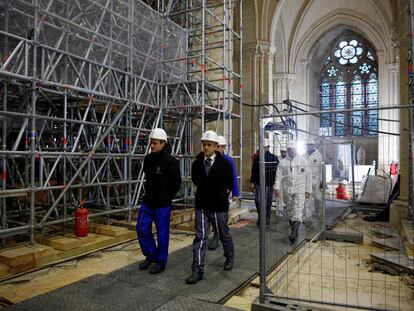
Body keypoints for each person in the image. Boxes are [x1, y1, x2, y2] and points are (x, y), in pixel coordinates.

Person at [186, 130, 235, 285]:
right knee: (200, 237)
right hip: (201, 205)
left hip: (219, 206)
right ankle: (197, 269)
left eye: (209, 145)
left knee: (223, 233)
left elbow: (229, 182)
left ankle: (229, 255)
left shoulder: (225, 163)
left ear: (216, 146)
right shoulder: (197, 163)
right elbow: (195, 180)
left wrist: (221, 193)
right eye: (204, 144)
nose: (206, 147)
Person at [136, 128, 181, 274]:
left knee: (162, 234)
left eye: (154, 143)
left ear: (163, 143)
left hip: (162, 205)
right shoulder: (148, 159)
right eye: (151, 143)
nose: (152, 145)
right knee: (141, 229)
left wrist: (167, 197)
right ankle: (151, 254)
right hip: (148, 202)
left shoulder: (171, 161)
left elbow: (177, 182)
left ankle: (161, 261)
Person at [274, 141, 311, 244]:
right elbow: (278, 176)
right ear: (288, 150)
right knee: (290, 211)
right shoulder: (283, 162)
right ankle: (294, 231)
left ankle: (293, 235)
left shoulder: (303, 161)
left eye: (293, 149)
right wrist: (277, 188)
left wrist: (308, 190)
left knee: (298, 211)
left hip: (300, 189)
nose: (292, 151)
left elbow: (308, 177)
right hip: (287, 190)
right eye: (290, 149)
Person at [208, 135, 240, 251]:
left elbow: (233, 178)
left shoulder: (228, 160)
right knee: (213, 216)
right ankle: (216, 236)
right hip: (212, 195)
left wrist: (235, 193)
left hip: (224, 194)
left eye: (220, 147)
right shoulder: (211, 160)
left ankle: (222, 237)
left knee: (222, 217)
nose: (218, 149)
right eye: (217, 146)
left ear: (224, 147)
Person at [249, 139, 278, 229]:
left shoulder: (274, 158)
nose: (263, 149)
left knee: (267, 203)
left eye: (265, 147)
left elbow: (276, 173)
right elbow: (254, 171)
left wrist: (275, 184)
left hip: (269, 184)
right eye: (262, 147)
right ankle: (261, 217)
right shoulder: (257, 158)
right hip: (258, 183)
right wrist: (252, 183)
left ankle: (267, 220)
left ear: (268, 147)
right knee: (258, 200)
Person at [303, 140, 323, 225]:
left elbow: (322, 169)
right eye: (308, 145)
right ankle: (307, 217)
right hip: (306, 182)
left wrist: (323, 181)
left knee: (318, 199)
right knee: (306, 200)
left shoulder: (319, 156)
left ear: (314, 145)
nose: (309, 146)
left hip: (316, 182)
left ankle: (320, 214)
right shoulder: (303, 156)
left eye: (311, 144)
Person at [275, 145, 288, 217]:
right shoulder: (277, 159)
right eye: (282, 152)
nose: (283, 153)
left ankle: (287, 208)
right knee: (278, 197)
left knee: (287, 196)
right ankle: (279, 210)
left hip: (287, 181)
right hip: (279, 180)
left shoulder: (289, 160)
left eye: (284, 152)